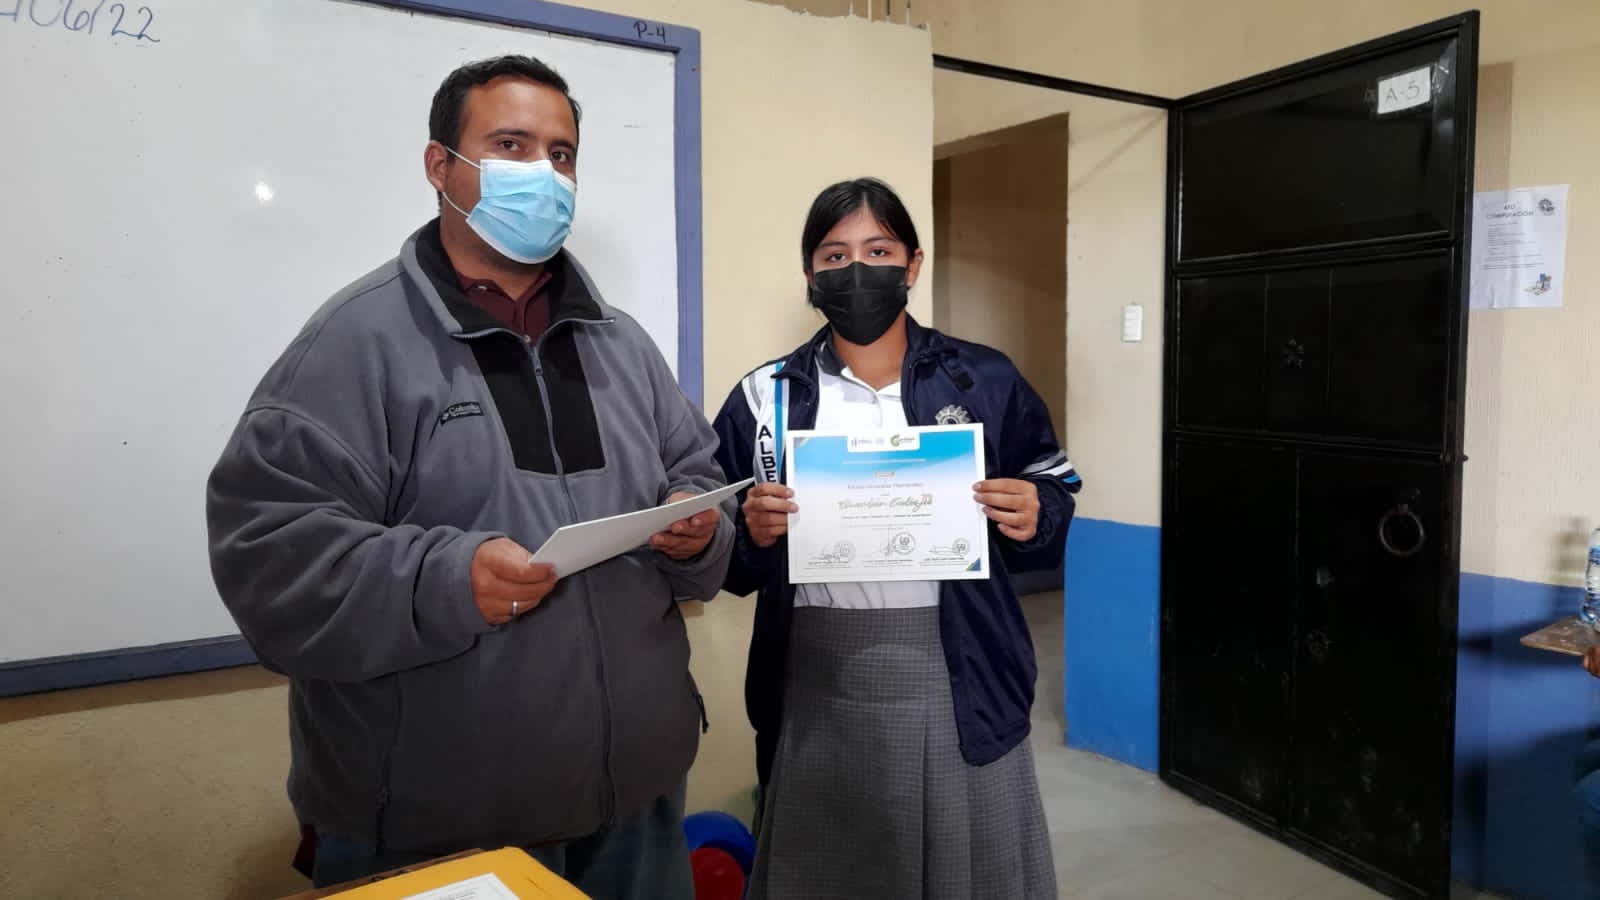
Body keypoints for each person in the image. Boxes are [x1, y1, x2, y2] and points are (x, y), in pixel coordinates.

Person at [205, 55, 733, 898]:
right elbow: (269, 559)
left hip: (636, 803)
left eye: (560, 154)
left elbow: (695, 472)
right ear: (439, 166)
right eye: (510, 146)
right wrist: (444, 580)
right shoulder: (355, 343)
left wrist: (695, 523)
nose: (542, 174)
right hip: (441, 828)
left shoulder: (623, 345)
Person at [710, 177, 1080, 899]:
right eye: (834, 255)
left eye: (878, 251)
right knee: (827, 871)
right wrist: (748, 531)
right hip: (815, 675)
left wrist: (1037, 508)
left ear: (913, 265)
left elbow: (1052, 484)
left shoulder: (983, 378)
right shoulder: (765, 397)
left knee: (966, 869)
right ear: (810, 275)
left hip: (961, 666)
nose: (857, 270)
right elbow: (720, 547)